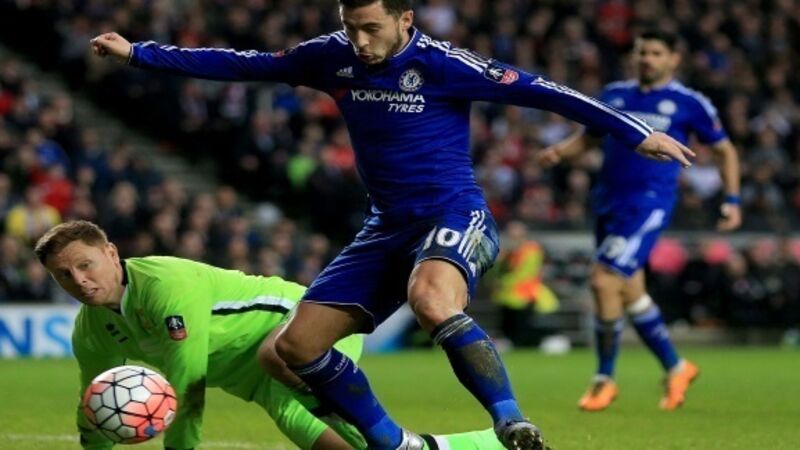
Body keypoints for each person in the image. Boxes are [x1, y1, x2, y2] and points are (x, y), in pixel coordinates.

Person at [88, 1, 694, 448]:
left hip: (454, 213)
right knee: (294, 348)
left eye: (371, 28)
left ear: (405, 19)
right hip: (386, 227)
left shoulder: (444, 64)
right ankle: (393, 444)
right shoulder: (332, 56)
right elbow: (245, 64)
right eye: (350, 26)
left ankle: (510, 421)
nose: (358, 40)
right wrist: (140, 53)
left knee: (431, 299)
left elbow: (546, 91)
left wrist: (635, 132)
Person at [35, 220, 508, 450]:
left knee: (277, 357)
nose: (80, 281)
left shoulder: (164, 285)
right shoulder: (91, 332)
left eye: (85, 265)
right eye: (64, 275)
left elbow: (187, 381)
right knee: (325, 439)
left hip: (302, 327)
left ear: (111, 253)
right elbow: (92, 402)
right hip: (258, 382)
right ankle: (488, 444)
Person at [536, 29, 741, 412]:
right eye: (642, 52)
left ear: (674, 59)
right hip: (608, 202)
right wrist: (559, 153)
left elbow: (725, 150)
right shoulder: (615, 94)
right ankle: (677, 367)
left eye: (656, 53)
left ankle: (604, 378)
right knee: (630, 292)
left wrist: (732, 200)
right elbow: (589, 137)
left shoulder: (689, 102)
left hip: (648, 204)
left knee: (603, 279)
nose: (647, 59)